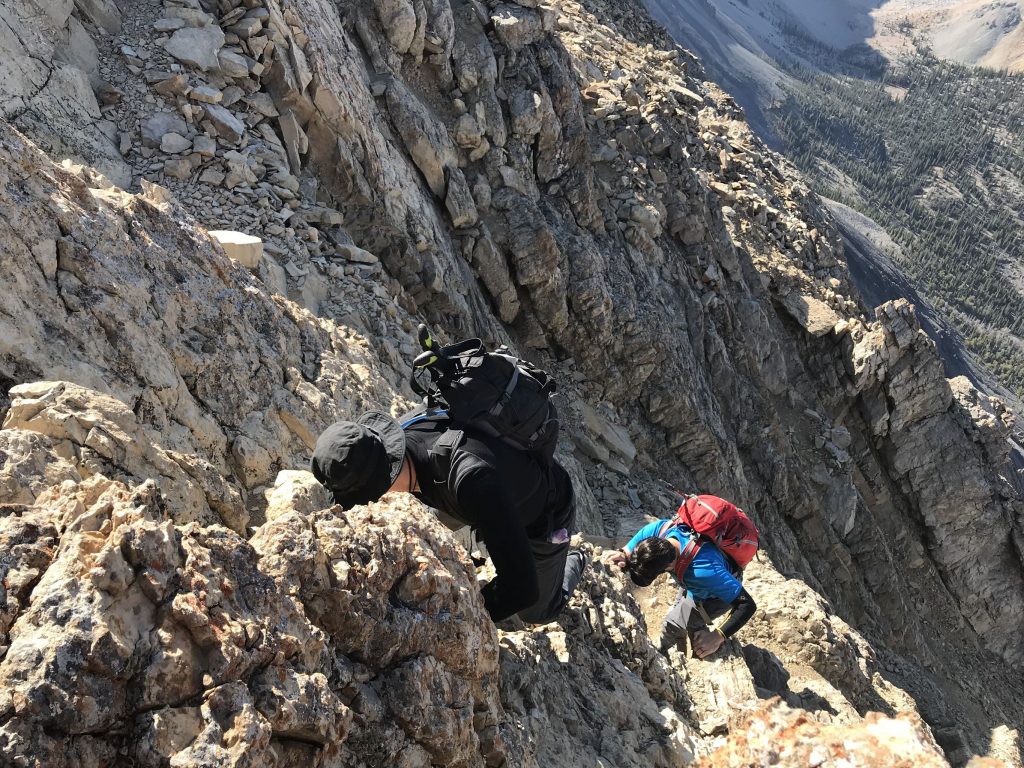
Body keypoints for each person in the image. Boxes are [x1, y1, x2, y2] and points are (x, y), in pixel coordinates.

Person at [311, 410, 587, 624]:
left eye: (368, 498)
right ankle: (488, 533)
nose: (370, 506)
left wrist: (464, 616)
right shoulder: (397, 440)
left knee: (535, 611)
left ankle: (574, 559)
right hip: (480, 495)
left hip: (543, 511)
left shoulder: (471, 481)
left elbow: (521, 589)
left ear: (385, 479)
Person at [604, 517, 756, 658]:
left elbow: (747, 605)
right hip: (693, 577)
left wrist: (717, 637)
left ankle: (679, 656)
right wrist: (623, 553)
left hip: (715, 595)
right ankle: (681, 646)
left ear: (669, 567)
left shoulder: (703, 572)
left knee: (673, 624)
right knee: (679, 615)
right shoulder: (661, 530)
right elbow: (629, 550)